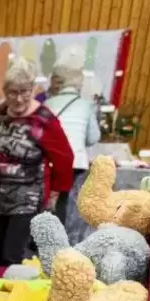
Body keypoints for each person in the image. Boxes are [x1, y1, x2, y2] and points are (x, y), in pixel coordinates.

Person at [0, 57, 74, 268]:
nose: (19, 99)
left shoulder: (44, 120)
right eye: (13, 92)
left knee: (13, 255)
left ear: (33, 89)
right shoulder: (1, 113)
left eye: (25, 92)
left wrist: (56, 193)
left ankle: (13, 296)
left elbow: (65, 157)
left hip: (27, 198)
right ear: (5, 91)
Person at [44, 48, 101, 223]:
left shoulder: (47, 104)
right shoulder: (86, 106)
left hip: (51, 159)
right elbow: (93, 137)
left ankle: (39, 236)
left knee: (48, 197)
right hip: (76, 161)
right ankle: (60, 239)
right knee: (65, 201)